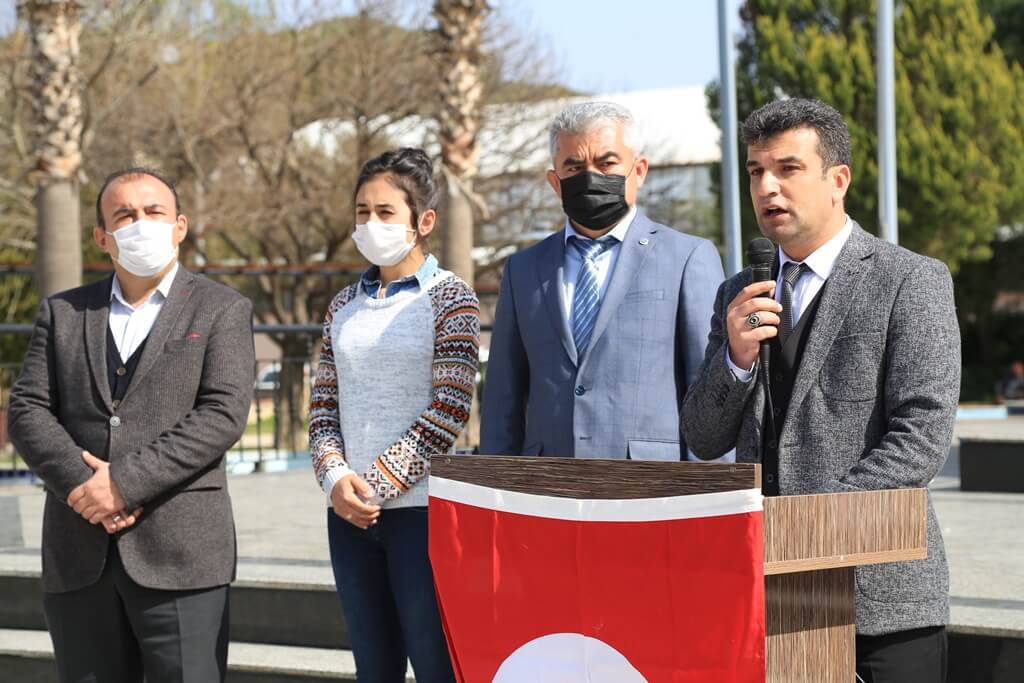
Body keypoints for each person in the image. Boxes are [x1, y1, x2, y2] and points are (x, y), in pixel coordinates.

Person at [682, 98, 958, 682]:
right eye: (756, 171)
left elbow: (921, 439)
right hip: (767, 600)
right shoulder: (740, 290)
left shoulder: (910, 280)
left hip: (882, 601)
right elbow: (704, 439)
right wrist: (734, 359)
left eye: (787, 168)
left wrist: (805, 529)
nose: (767, 187)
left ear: (838, 180)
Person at [8, 167, 255, 682]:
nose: (140, 223)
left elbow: (222, 414)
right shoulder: (63, 313)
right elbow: (28, 409)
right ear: (102, 236)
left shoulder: (223, 310)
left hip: (182, 556)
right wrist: (84, 485)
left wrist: (122, 483)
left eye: (153, 212)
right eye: (124, 215)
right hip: (80, 556)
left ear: (180, 226)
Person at [309, 147, 479, 682]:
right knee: (373, 669)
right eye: (362, 211)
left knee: (435, 667)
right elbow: (322, 411)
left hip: (422, 516)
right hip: (349, 517)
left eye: (385, 212)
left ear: (422, 221)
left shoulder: (451, 298)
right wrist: (337, 479)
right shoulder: (342, 306)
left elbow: (448, 409)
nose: (370, 223)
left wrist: (374, 486)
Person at [479, 101, 724, 460]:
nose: (590, 177)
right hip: (547, 490)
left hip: (651, 492)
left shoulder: (688, 258)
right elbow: (503, 399)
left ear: (639, 171)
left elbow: (710, 394)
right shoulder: (523, 270)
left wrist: (712, 501)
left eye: (607, 163)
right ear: (554, 182)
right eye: (574, 167)